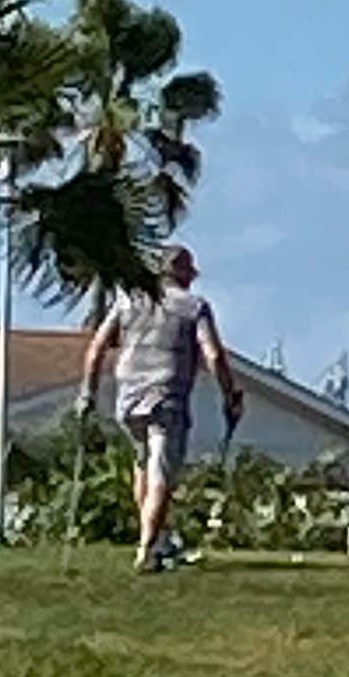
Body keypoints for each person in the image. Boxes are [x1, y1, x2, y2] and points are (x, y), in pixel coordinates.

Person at [81, 245, 244, 573]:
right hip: (166, 394)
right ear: (183, 274)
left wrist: (88, 391)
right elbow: (212, 354)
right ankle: (146, 549)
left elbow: (98, 346)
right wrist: (230, 393)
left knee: (143, 464)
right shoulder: (194, 306)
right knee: (160, 473)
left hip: (128, 395)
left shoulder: (129, 300)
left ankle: (158, 541)